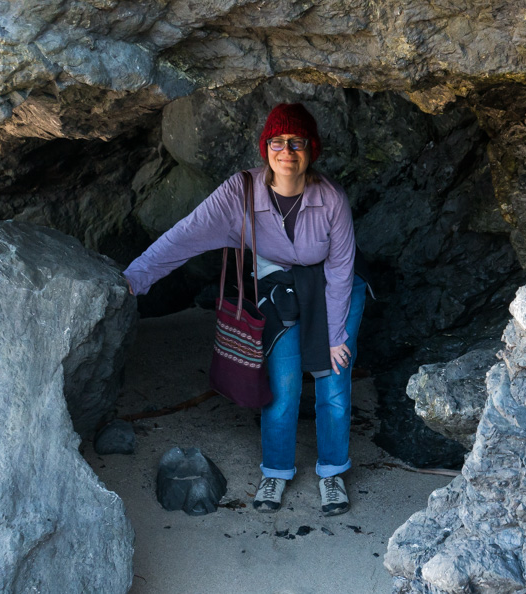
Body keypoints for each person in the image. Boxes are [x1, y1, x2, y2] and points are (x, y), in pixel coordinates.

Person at [123, 103, 367, 516]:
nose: (286, 151)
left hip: (333, 293)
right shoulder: (240, 192)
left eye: (297, 142)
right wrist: (132, 279)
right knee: (283, 387)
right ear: (264, 147)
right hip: (279, 294)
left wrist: (335, 337)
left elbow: (342, 268)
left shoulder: (331, 199)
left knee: (334, 383)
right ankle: (276, 470)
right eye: (277, 142)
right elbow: (186, 235)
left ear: (312, 149)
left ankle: (331, 474)